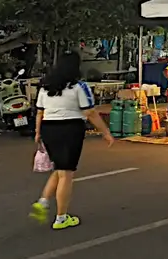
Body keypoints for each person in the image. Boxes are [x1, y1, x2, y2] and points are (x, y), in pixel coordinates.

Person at [30, 51, 114, 230]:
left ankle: (44, 201)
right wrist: (105, 132)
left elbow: (39, 111)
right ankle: (61, 218)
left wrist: (37, 133)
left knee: (60, 167)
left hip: (48, 129)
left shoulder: (45, 86)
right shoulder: (79, 87)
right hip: (70, 129)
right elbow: (90, 112)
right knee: (67, 173)